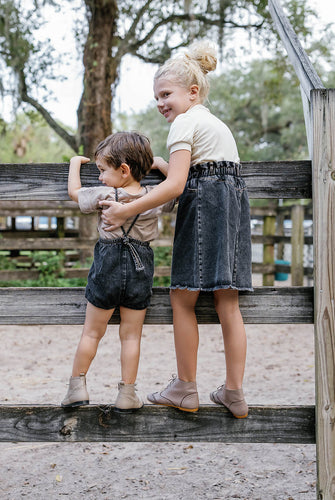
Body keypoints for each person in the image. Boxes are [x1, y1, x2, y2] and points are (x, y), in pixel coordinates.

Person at [99, 42, 252, 418]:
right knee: (227, 303)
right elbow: (209, 172)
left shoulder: (184, 123)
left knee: (182, 297)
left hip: (205, 207)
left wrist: (125, 210)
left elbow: (177, 187)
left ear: (192, 92)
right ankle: (234, 392)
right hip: (232, 204)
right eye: (156, 97)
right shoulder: (214, 124)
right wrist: (168, 165)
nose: (160, 103)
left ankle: (185, 386)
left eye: (166, 94)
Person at [61, 131, 175, 412]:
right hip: (140, 266)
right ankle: (127, 393)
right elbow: (178, 186)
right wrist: (160, 164)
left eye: (102, 170)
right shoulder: (153, 196)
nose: (99, 177)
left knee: (91, 333)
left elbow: (75, 193)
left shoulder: (104, 194)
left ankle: (77, 387)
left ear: (123, 170)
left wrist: (75, 163)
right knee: (131, 336)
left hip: (107, 264)